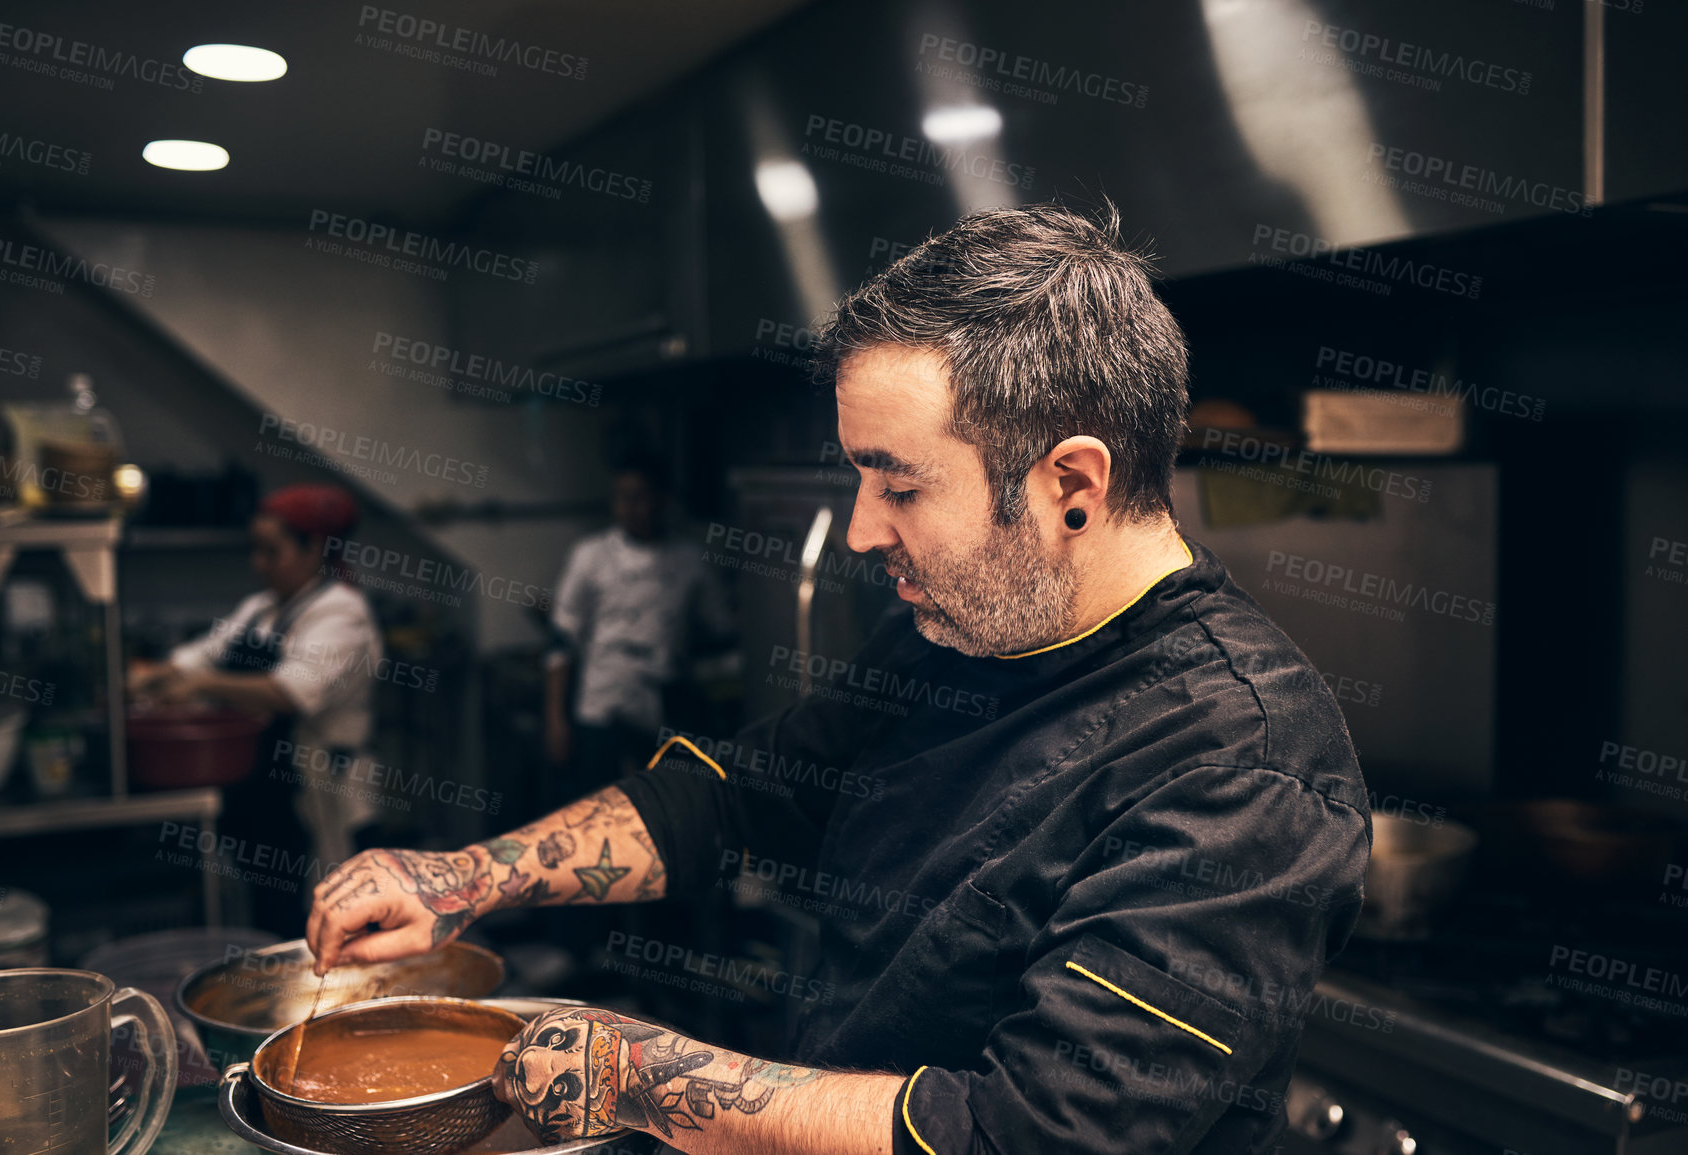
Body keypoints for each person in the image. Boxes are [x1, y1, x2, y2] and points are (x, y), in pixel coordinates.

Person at [306, 203, 1370, 1155]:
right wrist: (465, 879)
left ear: (1072, 485)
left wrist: (645, 1079)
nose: (864, 533)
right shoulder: (956, 629)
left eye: (900, 487)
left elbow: (1028, 1134)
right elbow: (736, 794)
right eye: (861, 478)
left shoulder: (1243, 763)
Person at [132, 483, 384, 937]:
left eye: (272, 552)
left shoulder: (342, 613)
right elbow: (201, 655)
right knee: (267, 912)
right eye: (256, 551)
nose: (258, 564)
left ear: (314, 550)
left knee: (323, 919)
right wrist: (147, 676)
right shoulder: (260, 608)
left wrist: (201, 685)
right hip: (260, 785)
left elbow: (291, 693)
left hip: (317, 785)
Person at [543, 447, 732, 797]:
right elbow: (560, 642)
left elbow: (719, 630)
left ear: (662, 500)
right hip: (601, 702)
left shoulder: (690, 560)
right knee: (597, 807)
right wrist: (556, 720)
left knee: (660, 804)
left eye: (639, 497)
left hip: (663, 706)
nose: (630, 508)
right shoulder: (591, 556)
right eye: (622, 498)